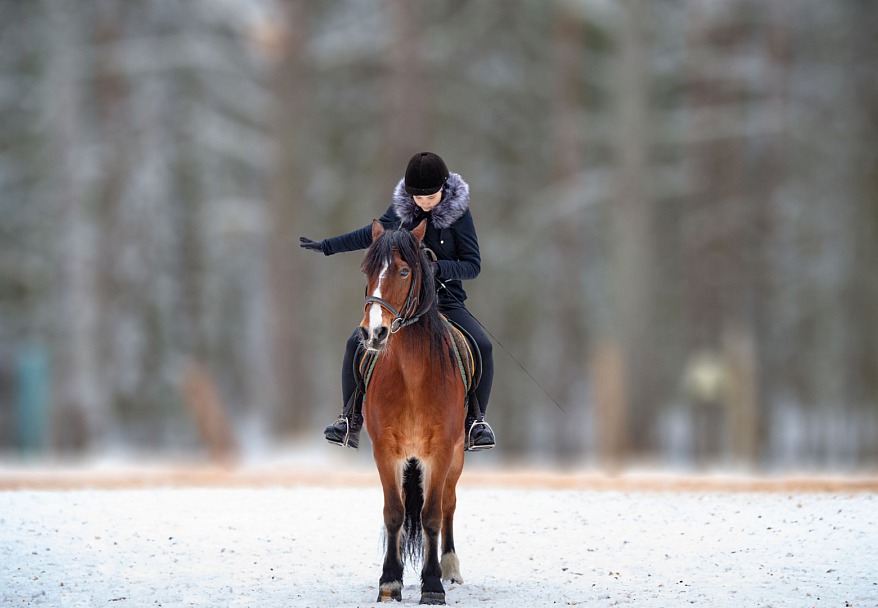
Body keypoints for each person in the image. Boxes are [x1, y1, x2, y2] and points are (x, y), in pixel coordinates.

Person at [300, 151, 496, 451]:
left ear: (444, 188)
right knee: (355, 343)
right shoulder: (402, 212)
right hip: (404, 305)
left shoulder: (460, 217)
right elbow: (369, 236)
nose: (425, 203)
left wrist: (439, 267)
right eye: (419, 197)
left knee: (483, 345)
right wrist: (328, 247)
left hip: (446, 302)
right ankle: (349, 418)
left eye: (431, 196)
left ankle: (475, 421)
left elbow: (473, 265)